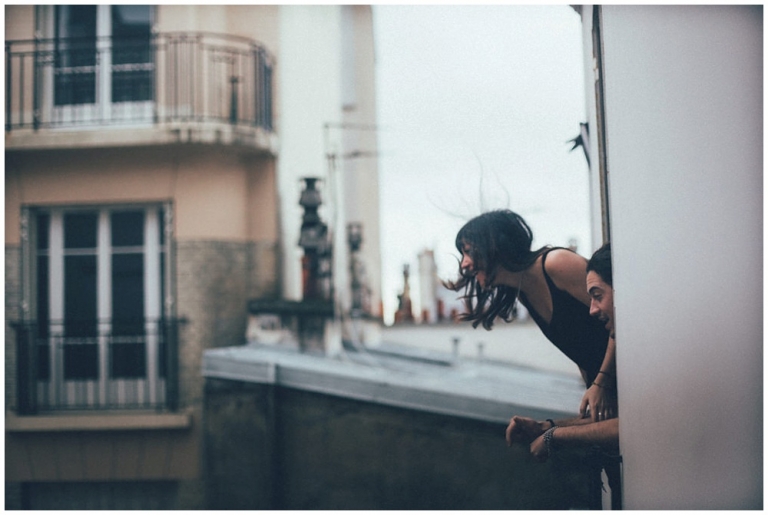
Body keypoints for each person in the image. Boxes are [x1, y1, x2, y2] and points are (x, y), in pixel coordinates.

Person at [447, 210, 616, 421]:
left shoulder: (557, 263)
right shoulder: (524, 293)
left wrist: (602, 383)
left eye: (469, 251)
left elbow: (620, 317)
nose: (464, 263)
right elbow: (581, 350)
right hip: (612, 395)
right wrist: (592, 395)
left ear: (495, 247)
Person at [505, 242, 619, 461]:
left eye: (597, 295)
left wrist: (553, 436)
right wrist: (544, 427)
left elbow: (630, 426)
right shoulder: (631, 354)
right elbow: (614, 418)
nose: (592, 309)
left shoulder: (650, 353)